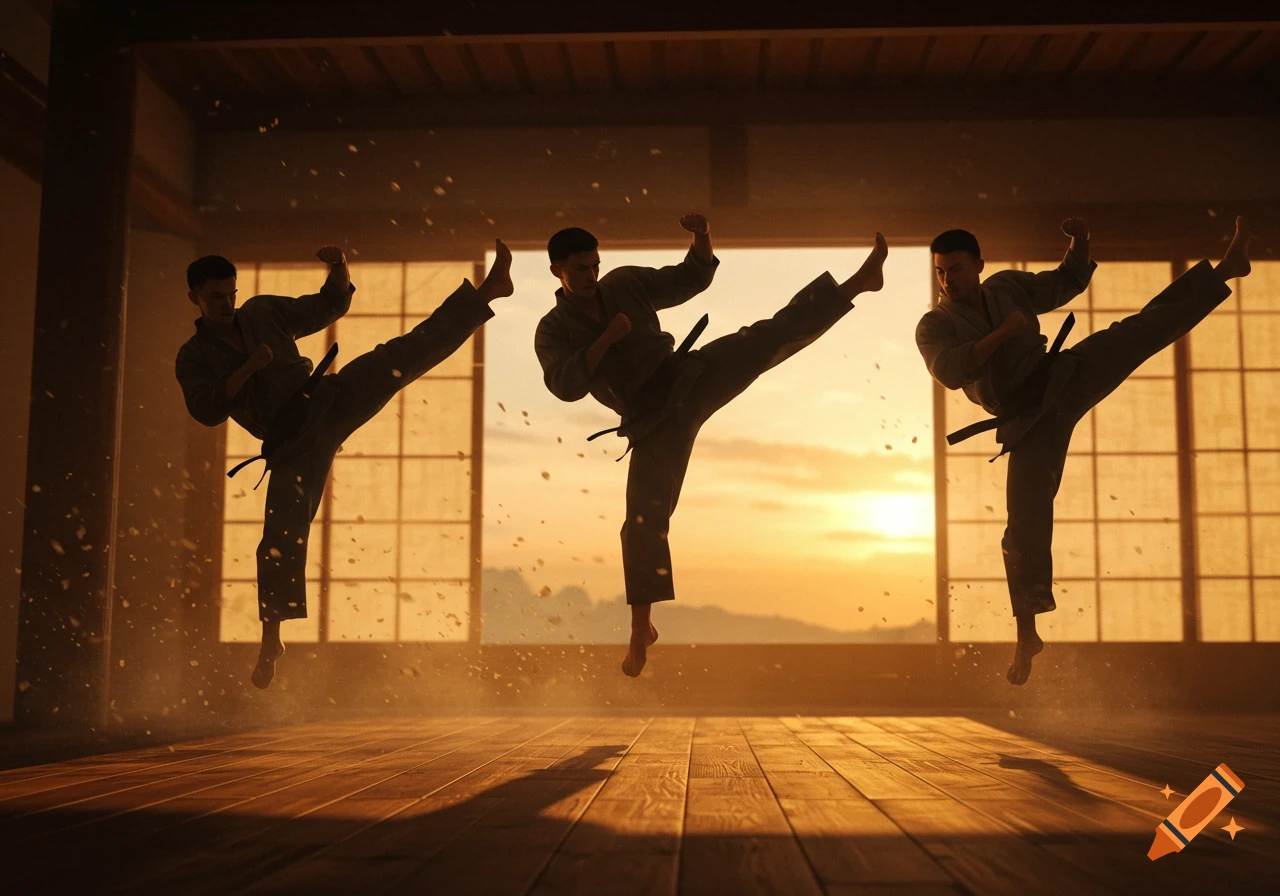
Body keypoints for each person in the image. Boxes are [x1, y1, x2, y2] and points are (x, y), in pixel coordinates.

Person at [535, 214, 889, 676]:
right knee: (643, 520)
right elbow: (565, 386)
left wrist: (701, 236)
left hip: (688, 377)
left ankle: (858, 282)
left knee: (765, 337)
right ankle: (641, 627)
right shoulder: (552, 329)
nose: (591, 276)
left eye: (595, 266)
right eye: (580, 269)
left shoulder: (623, 284)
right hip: (651, 422)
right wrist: (606, 339)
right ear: (557, 271)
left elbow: (691, 278)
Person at [917, 216, 1252, 685]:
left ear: (978, 265)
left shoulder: (1006, 286)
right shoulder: (935, 324)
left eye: (955, 268)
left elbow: (1066, 283)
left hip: (1061, 376)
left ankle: (1225, 270)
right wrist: (1002, 334)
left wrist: (1080, 242)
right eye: (940, 271)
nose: (947, 280)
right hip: (1026, 421)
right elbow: (951, 371)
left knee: (1137, 332)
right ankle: (1027, 634)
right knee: (1024, 525)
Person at [176, 241, 513, 688]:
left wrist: (339, 265)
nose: (226, 304)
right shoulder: (194, 356)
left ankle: (487, 291)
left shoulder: (261, 313)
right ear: (195, 298)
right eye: (215, 297)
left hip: (326, 399)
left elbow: (329, 305)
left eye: (231, 294)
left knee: (399, 356)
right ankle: (271, 639)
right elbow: (207, 410)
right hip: (291, 444)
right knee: (280, 536)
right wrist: (247, 369)